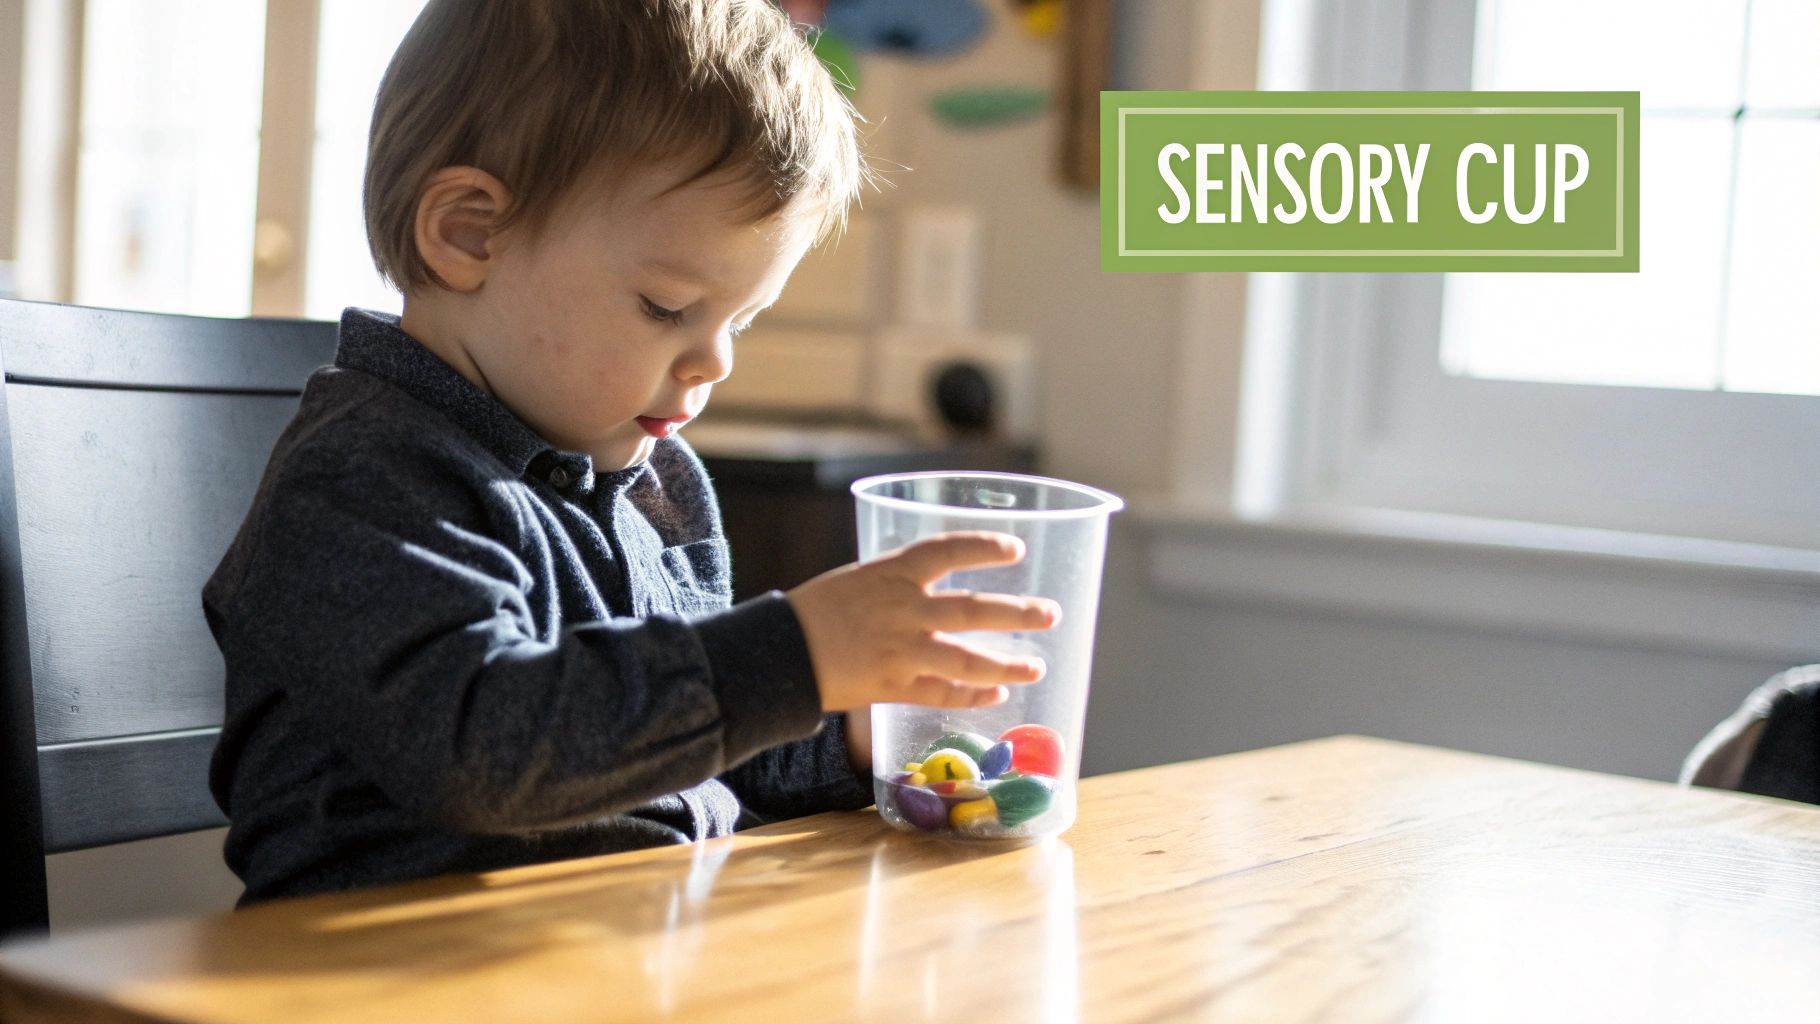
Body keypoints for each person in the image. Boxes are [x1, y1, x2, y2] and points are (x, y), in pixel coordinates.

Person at [202, 0, 1059, 904]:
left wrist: (845, 728)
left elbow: (683, 752)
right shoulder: (366, 478)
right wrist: (791, 657)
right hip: (388, 967)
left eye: (743, 320)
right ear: (468, 234)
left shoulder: (658, 486)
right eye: (666, 307)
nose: (716, 361)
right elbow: (480, 751)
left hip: (635, 942)